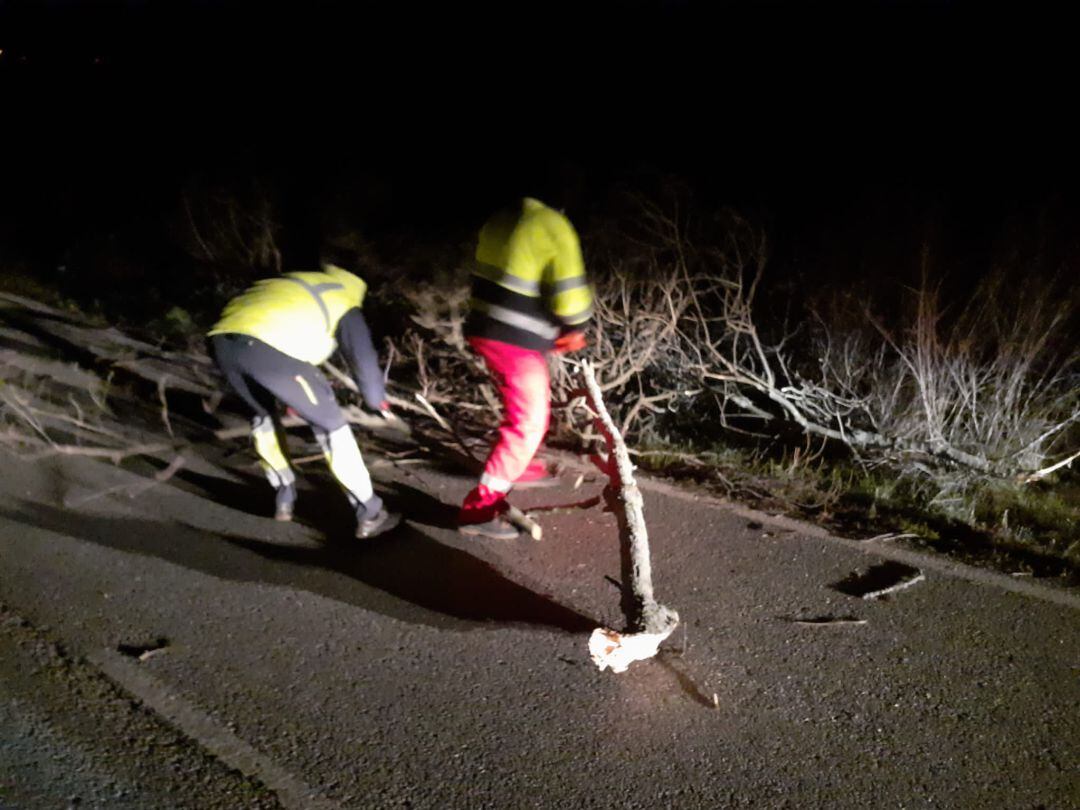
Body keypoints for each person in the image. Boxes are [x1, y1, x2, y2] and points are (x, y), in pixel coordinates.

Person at [208, 262, 398, 538]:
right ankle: (370, 513)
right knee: (332, 425)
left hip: (223, 343)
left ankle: (284, 497)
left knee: (263, 418)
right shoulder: (344, 299)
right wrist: (377, 401)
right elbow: (363, 360)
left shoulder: (301, 281)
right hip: (267, 346)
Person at [457, 197, 593, 540]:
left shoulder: (500, 216)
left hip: (485, 327)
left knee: (527, 411)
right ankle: (479, 510)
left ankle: (522, 467)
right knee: (528, 422)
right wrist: (576, 326)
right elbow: (570, 299)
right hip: (516, 338)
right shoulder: (552, 224)